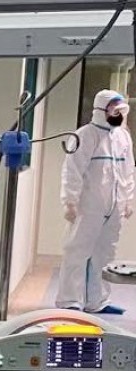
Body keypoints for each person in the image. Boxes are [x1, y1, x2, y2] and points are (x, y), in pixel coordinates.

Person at [56, 89, 135, 315]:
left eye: (121, 111)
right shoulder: (84, 135)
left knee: (105, 254)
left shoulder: (123, 136)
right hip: (88, 206)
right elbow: (72, 171)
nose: (118, 115)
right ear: (102, 110)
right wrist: (70, 201)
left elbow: (128, 170)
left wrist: (128, 200)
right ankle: (70, 301)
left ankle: (97, 301)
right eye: (114, 110)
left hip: (114, 207)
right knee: (77, 251)